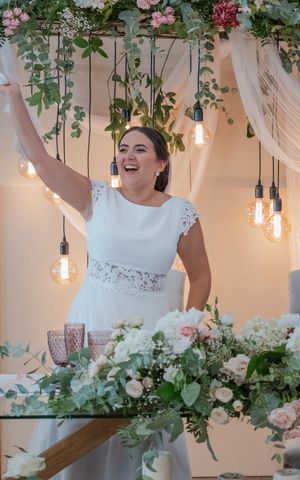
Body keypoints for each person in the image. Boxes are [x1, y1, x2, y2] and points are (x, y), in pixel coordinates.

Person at [1, 78, 211, 479]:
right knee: (80, 422)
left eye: (140, 149)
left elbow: (201, 277)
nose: (128, 155)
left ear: (160, 163)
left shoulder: (180, 212)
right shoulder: (95, 196)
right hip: (94, 321)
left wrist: (187, 326)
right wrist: (13, 99)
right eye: (123, 148)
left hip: (151, 331)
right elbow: (41, 160)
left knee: (146, 430)